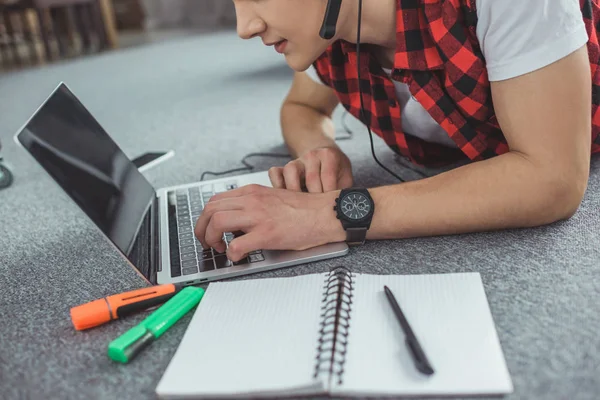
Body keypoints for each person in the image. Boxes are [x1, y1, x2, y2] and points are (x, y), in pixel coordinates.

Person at [195, 0, 600, 262]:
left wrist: (329, 214)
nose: (243, 26)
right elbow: (302, 107)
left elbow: (553, 178)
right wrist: (319, 151)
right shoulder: (330, 33)